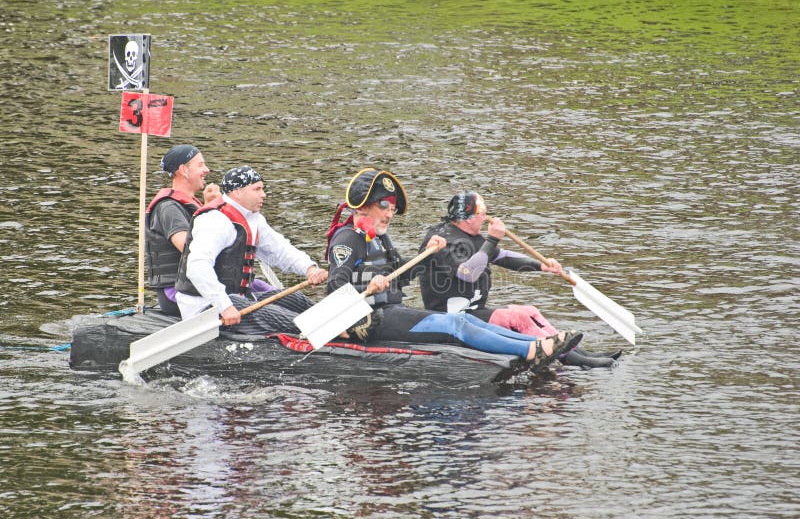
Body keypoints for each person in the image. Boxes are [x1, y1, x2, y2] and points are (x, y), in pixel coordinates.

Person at [324, 168, 582, 372]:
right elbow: (336, 285)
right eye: (384, 206)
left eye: (392, 208)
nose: (390, 214)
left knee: (467, 319)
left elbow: (402, 277)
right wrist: (371, 286)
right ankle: (532, 351)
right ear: (363, 205)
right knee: (456, 323)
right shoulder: (347, 239)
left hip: (390, 311)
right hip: (367, 322)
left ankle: (538, 346)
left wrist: (428, 256)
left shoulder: (381, 238)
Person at [418, 191, 621, 369]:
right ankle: (568, 358)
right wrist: (492, 239)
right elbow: (467, 274)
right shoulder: (442, 239)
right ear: (468, 218)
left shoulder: (473, 235)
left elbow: (503, 256)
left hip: (473, 311)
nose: (487, 218)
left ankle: (578, 354)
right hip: (452, 317)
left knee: (530, 311)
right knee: (517, 317)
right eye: (483, 214)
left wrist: (541, 265)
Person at [175, 165, 327, 336]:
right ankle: (331, 334)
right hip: (205, 306)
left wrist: (309, 268)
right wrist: (224, 305)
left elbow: (280, 250)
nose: (263, 194)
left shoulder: (254, 219)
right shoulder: (215, 221)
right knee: (287, 320)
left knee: (295, 300)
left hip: (239, 300)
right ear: (238, 192)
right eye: (257, 189)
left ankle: (341, 327)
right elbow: (197, 266)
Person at [145, 144, 221, 315]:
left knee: (259, 287)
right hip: (177, 293)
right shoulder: (168, 208)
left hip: (199, 285)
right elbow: (192, 249)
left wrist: (210, 206)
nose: (207, 170)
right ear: (183, 170)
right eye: (200, 165)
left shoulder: (191, 204)